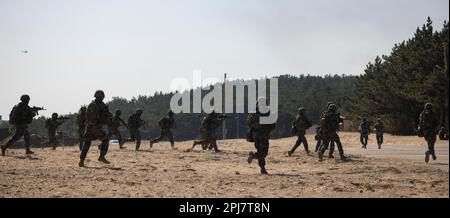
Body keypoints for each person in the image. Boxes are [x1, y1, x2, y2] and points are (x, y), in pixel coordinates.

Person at [79, 90, 111, 167]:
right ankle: (102, 156)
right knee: (105, 140)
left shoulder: (90, 105)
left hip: (89, 127)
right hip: (97, 127)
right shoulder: (103, 106)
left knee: (87, 143)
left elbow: (86, 116)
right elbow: (105, 119)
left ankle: (81, 161)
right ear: (103, 97)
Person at [246, 98, 276, 175]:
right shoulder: (266, 111)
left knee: (260, 151)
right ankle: (253, 156)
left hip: (255, 136)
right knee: (263, 153)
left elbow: (248, 123)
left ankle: (262, 169)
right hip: (263, 135)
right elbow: (272, 123)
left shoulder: (253, 112)